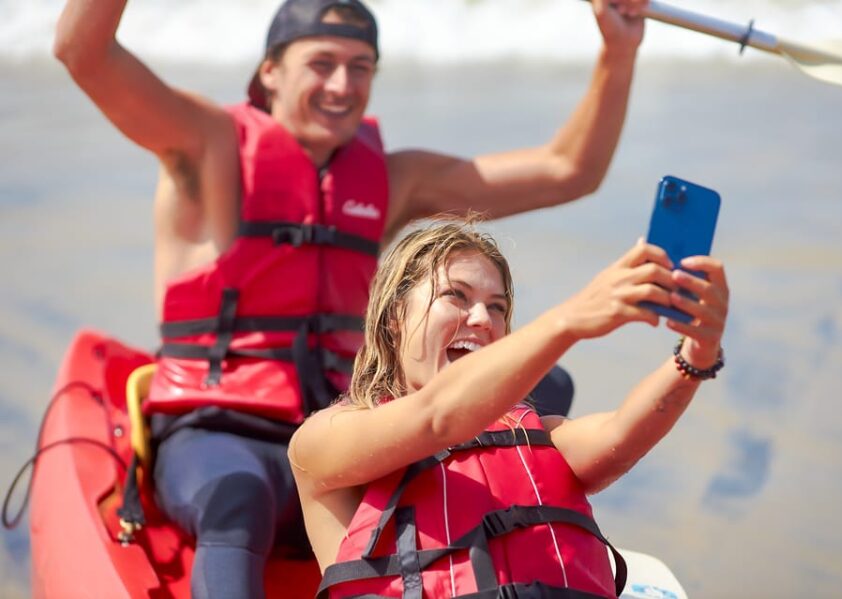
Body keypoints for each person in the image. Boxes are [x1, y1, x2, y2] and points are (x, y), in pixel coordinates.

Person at [53, 0, 650, 596]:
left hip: (351, 425)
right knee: (237, 500)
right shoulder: (204, 144)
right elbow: (82, 52)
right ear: (270, 73)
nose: (342, 85)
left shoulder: (390, 179)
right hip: (223, 431)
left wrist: (618, 53)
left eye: (361, 67)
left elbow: (568, 169)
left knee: (545, 386)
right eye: (322, 63)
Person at [290, 220, 728, 597]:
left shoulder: (542, 436)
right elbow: (436, 418)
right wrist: (570, 320)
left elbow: (621, 435)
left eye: (496, 307)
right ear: (394, 316)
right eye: (456, 296)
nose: (482, 318)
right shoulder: (323, 441)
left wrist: (697, 355)